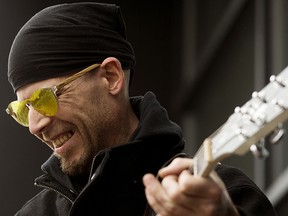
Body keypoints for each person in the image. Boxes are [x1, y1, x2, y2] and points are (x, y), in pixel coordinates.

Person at [6, 2, 277, 216]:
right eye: (23, 109)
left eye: (44, 98)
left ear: (111, 77)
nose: (34, 125)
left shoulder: (225, 196)